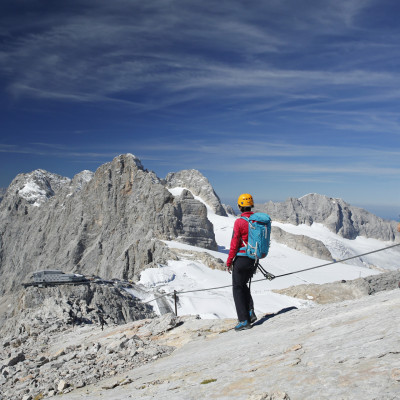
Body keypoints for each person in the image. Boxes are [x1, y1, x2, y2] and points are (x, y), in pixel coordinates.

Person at [226, 193, 258, 331]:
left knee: (237, 289)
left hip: (241, 259)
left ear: (240, 207)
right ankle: (250, 312)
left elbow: (234, 243)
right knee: (243, 285)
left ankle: (244, 320)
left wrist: (229, 261)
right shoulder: (257, 220)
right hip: (253, 259)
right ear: (251, 205)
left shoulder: (239, 222)